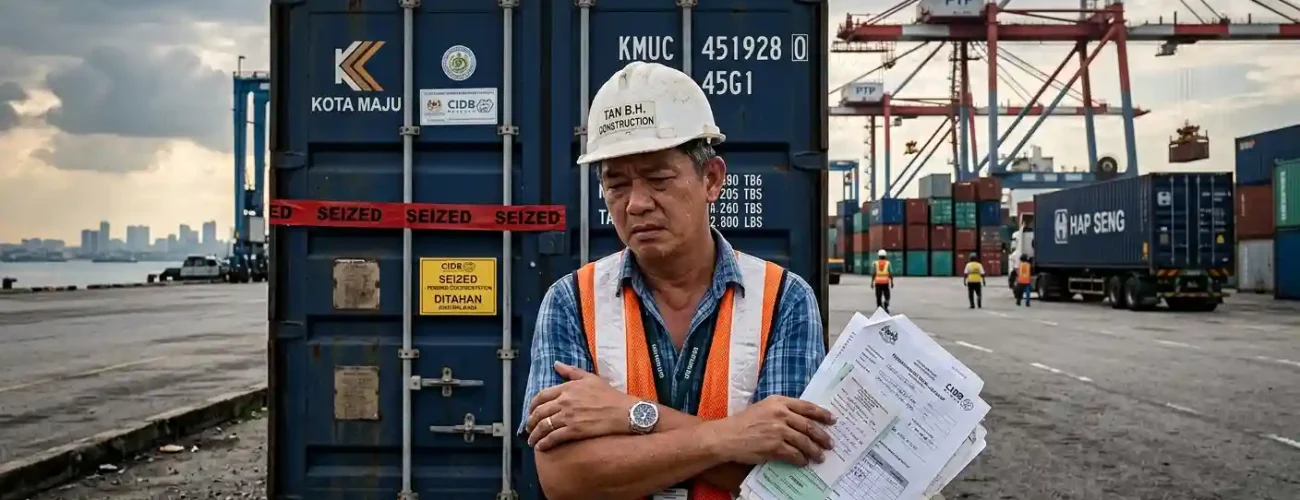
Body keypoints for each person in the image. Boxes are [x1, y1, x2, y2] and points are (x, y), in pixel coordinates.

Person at [517, 61, 834, 500]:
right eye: (617, 185)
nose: (636, 204)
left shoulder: (783, 300)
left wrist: (627, 415)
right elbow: (564, 478)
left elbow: (788, 481)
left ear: (712, 179)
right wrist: (730, 437)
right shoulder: (571, 301)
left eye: (658, 179)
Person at [871, 249, 894, 313]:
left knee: (878, 296)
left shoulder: (875, 263)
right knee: (887, 295)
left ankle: (879, 309)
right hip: (885, 283)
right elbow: (890, 273)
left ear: (878, 256)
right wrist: (892, 282)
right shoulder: (888, 263)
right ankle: (886, 304)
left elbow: (873, 273)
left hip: (878, 283)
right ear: (885, 256)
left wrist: (872, 282)